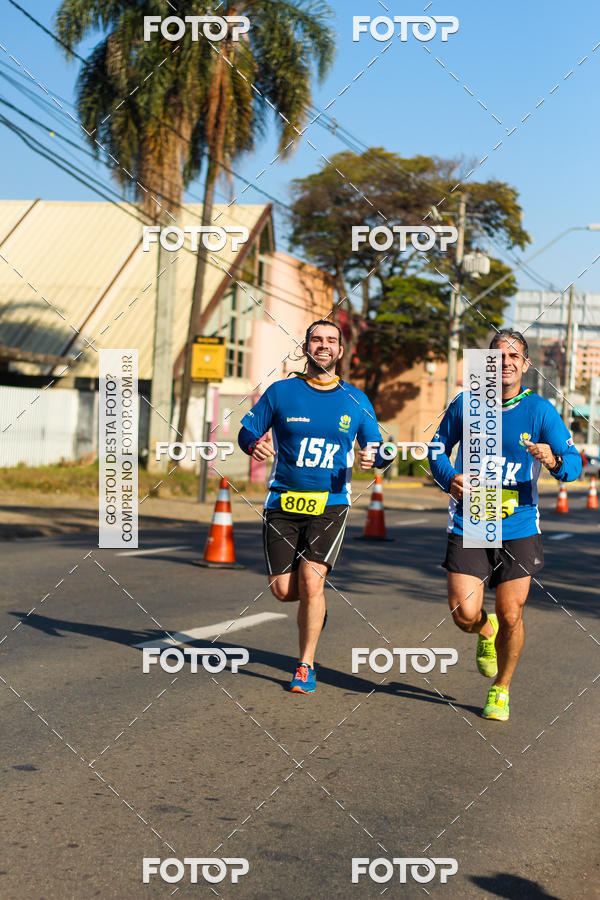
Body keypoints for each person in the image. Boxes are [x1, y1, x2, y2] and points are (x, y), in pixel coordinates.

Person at [429, 330, 582, 721]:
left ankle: (501, 689)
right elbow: (435, 449)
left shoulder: (540, 411)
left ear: (525, 365)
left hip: (519, 524)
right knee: (464, 614)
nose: (506, 362)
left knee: (512, 614)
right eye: (498, 356)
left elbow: (573, 466)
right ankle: (484, 630)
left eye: (514, 356)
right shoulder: (466, 404)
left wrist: (553, 458)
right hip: (472, 516)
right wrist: (449, 476)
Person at [238, 320, 384, 694]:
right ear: (305, 347)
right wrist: (251, 443)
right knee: (284, 591)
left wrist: (376, 456)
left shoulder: (355, 399)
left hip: (331, 504)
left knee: (311, 580)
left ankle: (305, 665)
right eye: (316, 339)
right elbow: (246, 431)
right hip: (282, 501)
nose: (323, 345)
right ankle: (315, 610)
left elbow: (380, 447)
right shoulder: (281, 392)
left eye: (331, 340)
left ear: (340, 351)